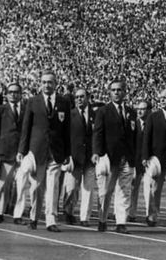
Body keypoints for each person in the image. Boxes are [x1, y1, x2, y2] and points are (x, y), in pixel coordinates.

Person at [18, 70, 71, 232]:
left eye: (50, 82)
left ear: (55, 84)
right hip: (37, 150)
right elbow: (26, 127)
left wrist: (67, 153)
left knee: (53, 186)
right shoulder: (32, 102)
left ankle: (51, 220)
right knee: (36, 186)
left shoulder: (64, 102)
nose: (47, 85)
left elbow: (67, 130)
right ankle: (33, 217)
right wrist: (22, 150)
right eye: (44, 82)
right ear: (40, 84)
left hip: (56, 150)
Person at [92, 79, 136, 234]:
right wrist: (96, 152)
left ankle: (121, 222)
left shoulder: (131, 112)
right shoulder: (103, 111)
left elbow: (135, 135)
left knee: (125, 190)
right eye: (114, 90)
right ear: (109, 93)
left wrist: (135, 156)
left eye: (119, 90)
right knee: (106, 191)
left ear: (125, 92)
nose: (117, 92)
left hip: (127, 157)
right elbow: (98, 133)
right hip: (110, 156)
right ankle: (102, 219)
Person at [142, 88, 166, 228]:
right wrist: (145, 157)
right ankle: (152, 216)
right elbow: (146, 138)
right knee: (155, 189)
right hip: (156, 159)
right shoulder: (153, 117)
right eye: (160, 98)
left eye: (165, 98)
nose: (162, 100)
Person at [0, 82, 25, 224]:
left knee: (21, 186)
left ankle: (17, 215)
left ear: (21, 94)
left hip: (22, 152)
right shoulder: (0, 110)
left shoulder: (26, 109)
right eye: (10, 92)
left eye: (16, 92)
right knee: (2, 185)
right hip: (5, 152)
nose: (13, 94)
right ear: (6, 94)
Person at [62, 88, 96, 227]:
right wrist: (66, 155)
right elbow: (64, 137)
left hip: (90, 157)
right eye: (77, 97)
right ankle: (68, 212)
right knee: (71, 188)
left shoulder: (95, 115)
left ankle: (84, 217)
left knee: (88, 189)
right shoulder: (70, 115)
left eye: (82, 96)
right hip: (74, 157)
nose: (79, 99)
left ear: (88, 97)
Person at [128, 99, 151, 222]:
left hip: (149, 160)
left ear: (149, 110)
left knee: (149, 188)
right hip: (135, 160)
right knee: (133, 187)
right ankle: (131, 213)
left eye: (142, 109)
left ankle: (149, 214)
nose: (139, 111)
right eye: (138, 109)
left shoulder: (152, 124)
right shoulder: (133, 124)